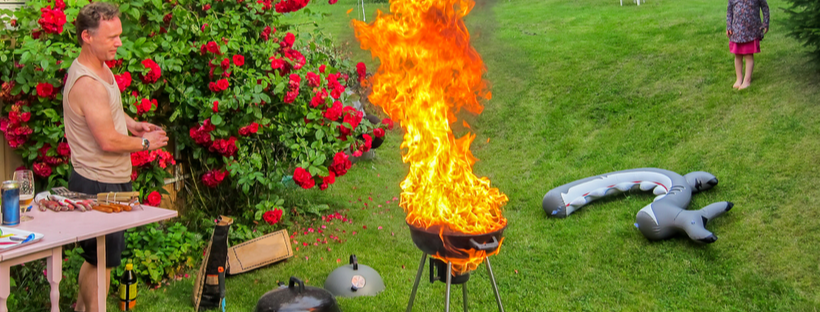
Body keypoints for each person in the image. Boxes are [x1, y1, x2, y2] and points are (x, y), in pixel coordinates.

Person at [62, 3, 169, 311]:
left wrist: (133, 125)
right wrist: (147, 142)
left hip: (109, 178)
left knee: (102, 259)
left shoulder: (100, 67)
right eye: (112, 37)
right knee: (102, 261)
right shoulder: (87, 84)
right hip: (97, 183)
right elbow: (107, 140)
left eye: (119, 36)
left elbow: (108, 112)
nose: (119, 43)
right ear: (87, 36)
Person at [726, 0, 769, 90]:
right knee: (738, 55)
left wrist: (765, 22)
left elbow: (765, 7)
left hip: (751, 30)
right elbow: (729, 10)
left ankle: (747, 80)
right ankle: (739, 78)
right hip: (737, 30)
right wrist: (729, 26)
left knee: (748, 55)